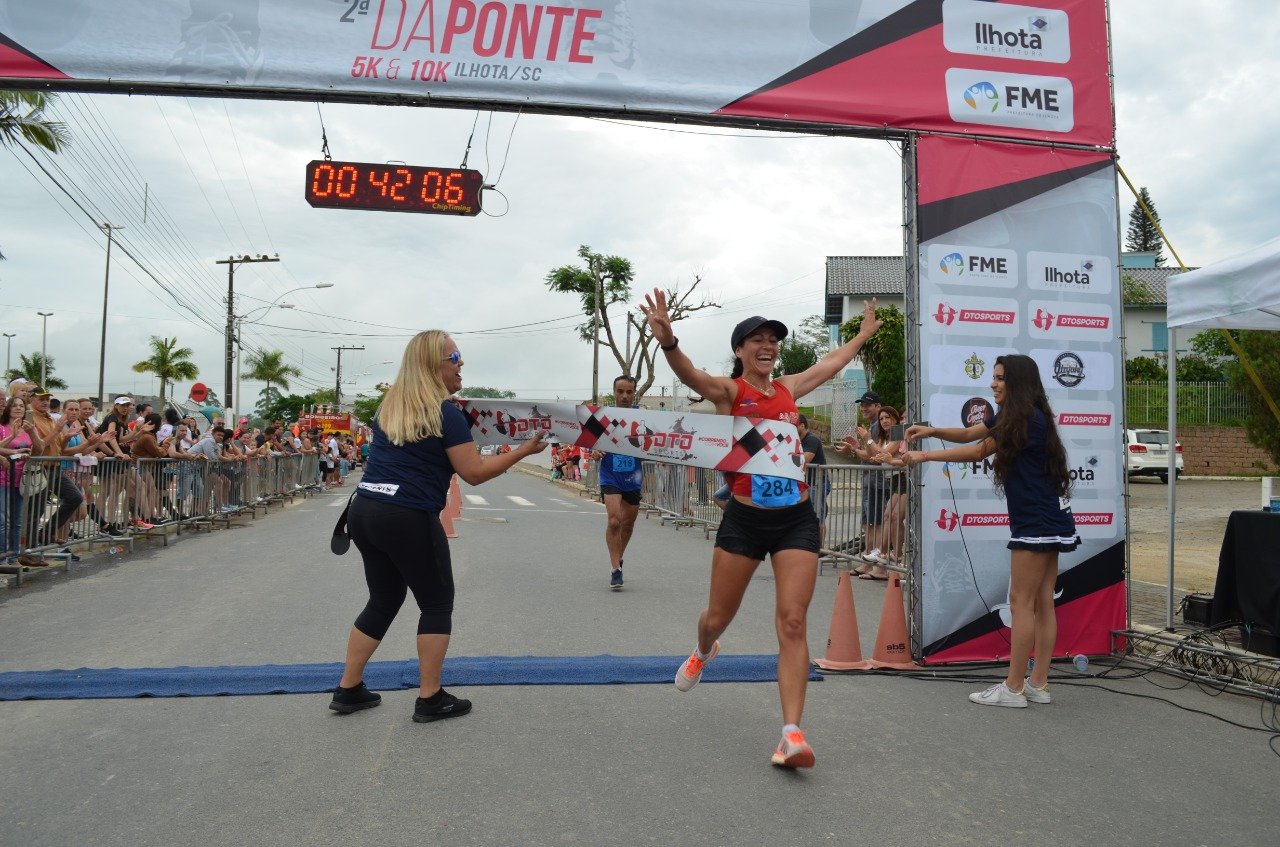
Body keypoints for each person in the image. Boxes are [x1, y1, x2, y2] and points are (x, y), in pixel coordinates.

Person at [640, 289, 881, 768]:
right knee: (717, 616)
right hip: (745, 519)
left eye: (773, 338)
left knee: (792, 621)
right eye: (757, 339)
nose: (767, 344)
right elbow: (692, 376)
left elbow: (831, 363)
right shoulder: (732, 392)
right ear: (740, 350)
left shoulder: (790, 387)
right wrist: (669, 342)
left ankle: (791, 734)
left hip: (796, 517)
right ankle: (704, 649)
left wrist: (863, 334)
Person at [330, 330, 548, 723]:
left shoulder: (390, 408)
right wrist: (524, 450)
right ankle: (430, 697)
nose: (461, 363)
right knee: (435, 603)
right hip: (407, 516)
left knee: (382, 600)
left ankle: (348, 689)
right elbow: (474, 473)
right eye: (455, 357)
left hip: (365, 510)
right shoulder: (445, 413)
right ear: (434, 365)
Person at [901, 354, 1079, 708]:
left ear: (1018, 382)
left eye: (1000, 378)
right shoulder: (1020, 415)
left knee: (1022, 603)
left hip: (1036, 522)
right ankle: (1037, 684)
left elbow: (979, 450)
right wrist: (932, 431)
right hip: (1049, 519)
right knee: (1042, 603)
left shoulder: (1025, 419)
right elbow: (971, 432)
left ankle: (1013, 688)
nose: (993, 384)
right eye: (993, 377)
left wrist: (923, 457)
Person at [590, 375, 644, 590]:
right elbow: (589, 441)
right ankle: (615, 570)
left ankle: (618, 558)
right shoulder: (603, 416)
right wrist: (594, 450)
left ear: (634, 393)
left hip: (633, 476)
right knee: (614, 521)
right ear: (614, 392)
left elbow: (659, 441)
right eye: (620, 391)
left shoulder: (643, 417)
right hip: (610, 474)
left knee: (628, 524)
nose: (624, 396)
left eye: (629, 392)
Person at [796, 414, 828, 548]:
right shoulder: (796, 440)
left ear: (802, 425)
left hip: (817, 482)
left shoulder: (812, 439)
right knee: (806, 516)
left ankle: (818, 548)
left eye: (794, 425)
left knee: (817, 515)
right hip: (806, 483)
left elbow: (805, 460)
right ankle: (808, 545)